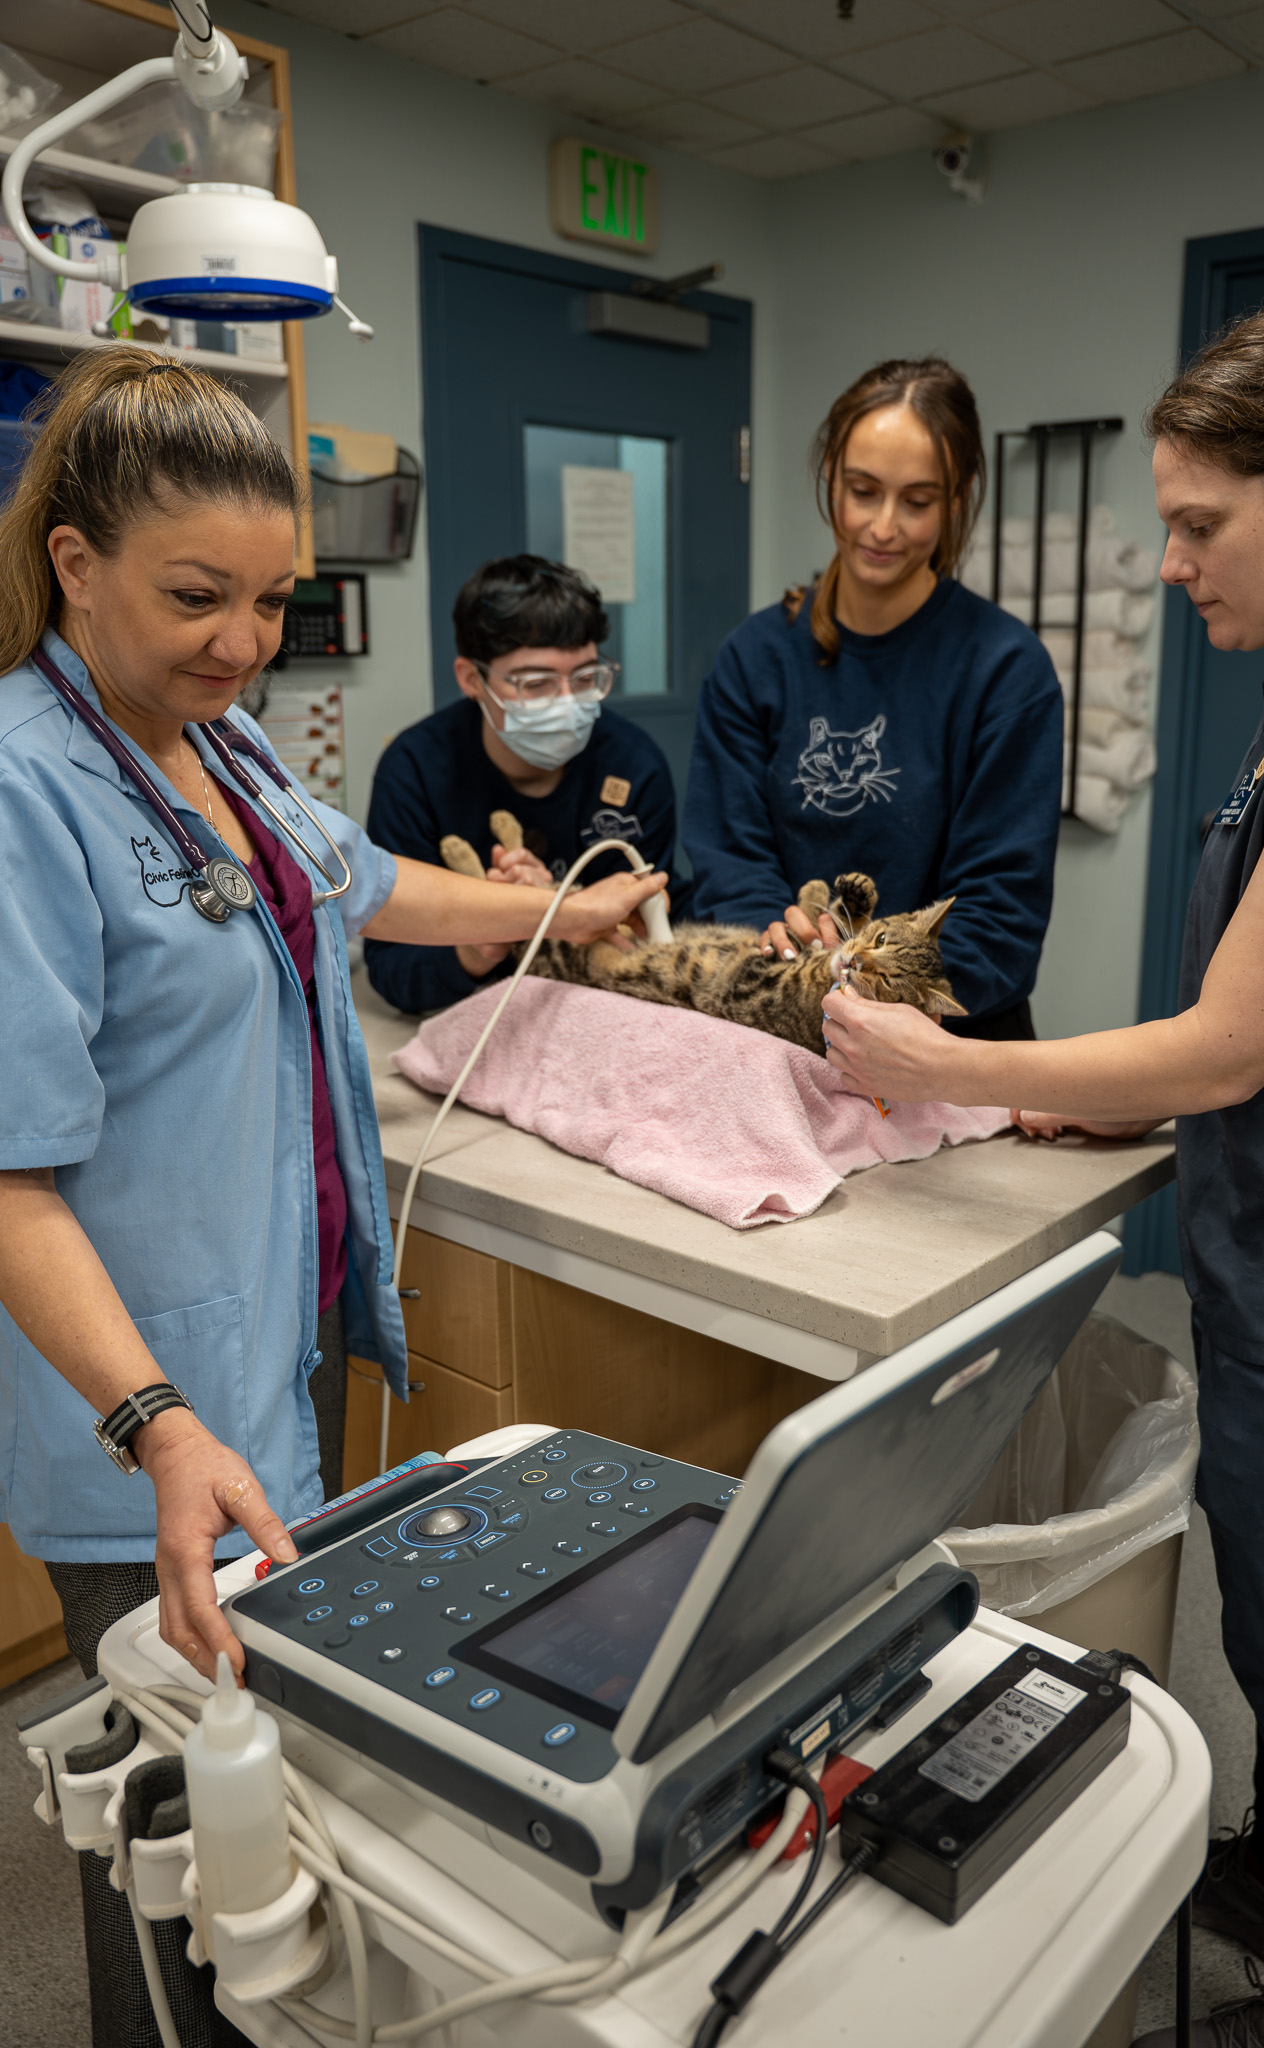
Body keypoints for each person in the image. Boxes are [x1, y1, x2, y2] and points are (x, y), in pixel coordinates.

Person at [0, 350, 666, 2048]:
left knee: (261, 1810)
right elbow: (6, 1177)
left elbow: (372, 886)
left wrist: (569, 921)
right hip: (142, 1398)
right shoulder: (24, 788)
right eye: (195, 596)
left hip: (262, 1348)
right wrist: (152, 1418)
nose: (239, 641)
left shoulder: (214, 738)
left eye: (273, 600)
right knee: (169, 1826)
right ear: (75, 566)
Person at [821, 304, 1264, 2048]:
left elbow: (1231, 1044)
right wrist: (1107, 1113)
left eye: (1205, 526)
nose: (1174, 562)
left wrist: (958, 1065)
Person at [683, 356, 1063, 1039]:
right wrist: (784, 953)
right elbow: (727, 862)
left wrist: (872, 994)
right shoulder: (755, 658)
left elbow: (997, 912)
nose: (883, 526)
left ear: (956, 499)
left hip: (944, 1045)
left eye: (916, 502)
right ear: (830, 477)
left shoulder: (1004, 669)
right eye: (862, 491)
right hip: (779, 1021)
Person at [364, 553, 680, 1015]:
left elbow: (655, 943)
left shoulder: (635, 766)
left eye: (587, 677)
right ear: (472, 678)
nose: (569, 704)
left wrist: (567, 909)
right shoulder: (415, 771)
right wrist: (477, 945)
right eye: (537, 684)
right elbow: (392, 970)